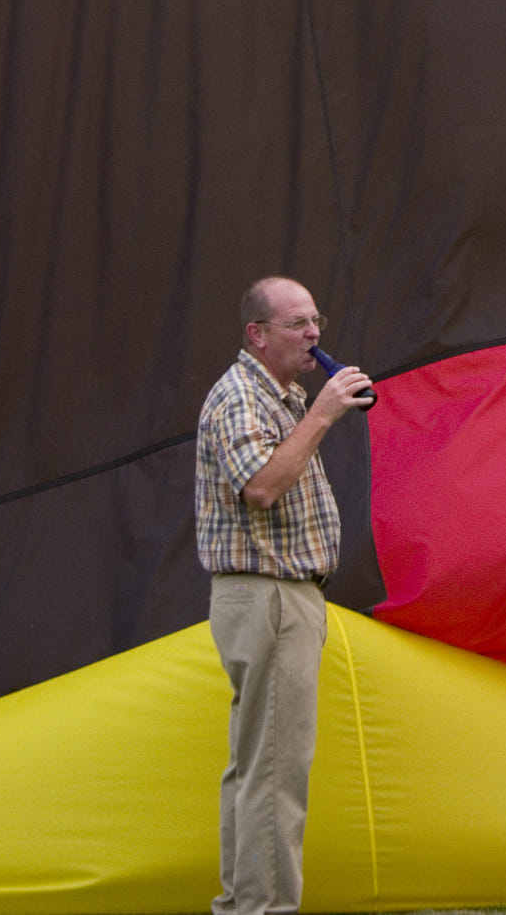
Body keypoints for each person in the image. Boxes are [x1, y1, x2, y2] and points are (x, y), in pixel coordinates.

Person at [195, 276, 373, 915]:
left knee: (256, 769)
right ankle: (262, 910)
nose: (314, 333)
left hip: (279, 598)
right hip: (267, 598)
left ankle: (243, 903)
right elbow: (263, 488)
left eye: (315, 320)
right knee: (275, 773)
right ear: (257, 335)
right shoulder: (240, 396)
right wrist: (325, 412)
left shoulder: (281, 395)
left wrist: (311, 407)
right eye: (297, 323)